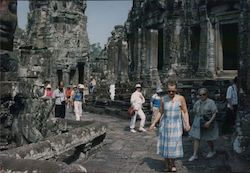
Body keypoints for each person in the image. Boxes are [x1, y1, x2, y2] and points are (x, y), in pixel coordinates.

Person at [150, 81, 190, 172]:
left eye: (173, 91)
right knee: (166, 145)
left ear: (176, 90)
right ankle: (167, 163)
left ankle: (172, 163)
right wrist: (153, 123)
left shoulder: (181, 98)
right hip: (165, 125)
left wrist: (186, 123)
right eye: (169, 91)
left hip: (176, 125)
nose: (171, 93)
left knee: (174, 145)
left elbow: (184, 111)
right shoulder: (163, 99)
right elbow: (160, 112)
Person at [188, 88, 219, 162]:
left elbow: (215, 112)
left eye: (204, 94)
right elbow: (194, 111)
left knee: (208, 138)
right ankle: (195, 154)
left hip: (207, 121)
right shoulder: (197, 102)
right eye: (200, 95)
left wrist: (209, 122)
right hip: (198, 121)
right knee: (196, 138)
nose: (202, 96)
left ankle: (212, 150)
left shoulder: (211, 102)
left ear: (207, 94)